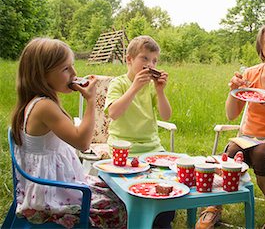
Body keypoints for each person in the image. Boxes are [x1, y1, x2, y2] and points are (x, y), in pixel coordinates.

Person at [196, 22, 265, 229]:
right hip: (248, 137)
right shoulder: (250, 75)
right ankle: (215, 206)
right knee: (232, 150)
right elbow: (231, 115)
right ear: (261, 48)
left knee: (261, 153)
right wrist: (232, 91)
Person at [11, 38, 127, 228]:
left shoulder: (37, 101)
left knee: (112, 189)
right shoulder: (44, 106)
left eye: (72, 66)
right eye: (66, 69)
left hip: (54, 184)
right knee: (119, 206)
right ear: (41, 75)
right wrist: (90, 100)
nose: (74, 74)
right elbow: (83, 143)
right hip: (50, 196)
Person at [104, 35, 174, 228]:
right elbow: (114, 113)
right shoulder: (119, 83)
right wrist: (134, 87)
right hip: (123, 148)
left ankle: (160, 219)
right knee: (138, 190)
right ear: (129, 59)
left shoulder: (152, 87)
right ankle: (141, 218)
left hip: (152, 147)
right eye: (144, 58)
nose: (149, 64)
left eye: (154, 61)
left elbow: (166, 116)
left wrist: (160, 90)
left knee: (167, 187)